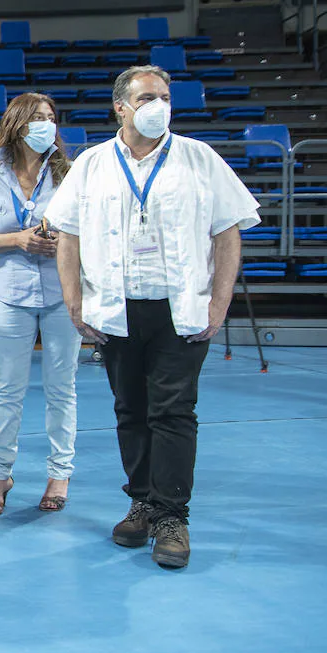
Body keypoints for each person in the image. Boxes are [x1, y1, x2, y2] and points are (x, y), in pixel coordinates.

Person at [47, 65, 259, 569]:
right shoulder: (94, 163)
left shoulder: (199, 158)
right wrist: (74, 303)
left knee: (174, 412)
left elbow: (228, 233)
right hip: (116, 310)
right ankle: (141, 500)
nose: (158, 105)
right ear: (120, 106)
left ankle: (171, 517)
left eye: (164, 96)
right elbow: (68, 236)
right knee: (130, 410)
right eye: (146, 97)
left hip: (179, 308)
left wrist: (220, 302)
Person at [0, 93, 81, 516]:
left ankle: (59, 474)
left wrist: (61, 240)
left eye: (51, 118)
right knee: (7, 390)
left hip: (61, 292)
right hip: (12, 293)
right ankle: (0, 474)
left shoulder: (68, 173)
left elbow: (83, 229)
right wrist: (18, 239)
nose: (46, 125)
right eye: (37, 118)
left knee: (61, 389)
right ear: (17, 123)